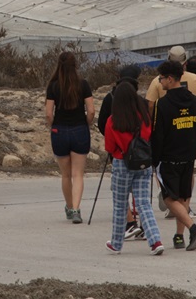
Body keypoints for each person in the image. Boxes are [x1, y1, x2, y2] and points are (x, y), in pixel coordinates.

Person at [150, 60, 196, 251]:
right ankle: (179, 236)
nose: (160, 83)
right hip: (189, 155)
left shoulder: (162, 104)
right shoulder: (194, 101)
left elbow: (158, 134)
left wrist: (154, 159)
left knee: (168, 198)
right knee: (184, 196)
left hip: (168, 156)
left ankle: (193, 228)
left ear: (170, 78)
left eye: (161, 79)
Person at [104, 80, 164, 255]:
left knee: (120, 204)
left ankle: (116, 242)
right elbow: (147, 137)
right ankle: (155, 240)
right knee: (144, 203)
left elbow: (110, 147)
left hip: (122, 163)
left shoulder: (113, 121)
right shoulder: (144, 118)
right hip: (143, 162)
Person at [45, 51, 95, 224]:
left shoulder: (53, 86)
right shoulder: (83, 84)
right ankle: (76, 209)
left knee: (65, 175)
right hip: (79, 129)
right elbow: (92, 110)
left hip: (60, 130)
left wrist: (54, 125)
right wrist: (86, 122)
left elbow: (48, 113)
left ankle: (69, 207)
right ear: (75, 65)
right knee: (78, 174)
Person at [98, 65, 144, 241]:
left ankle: (129, 221)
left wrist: (113, 140)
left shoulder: (109, 98)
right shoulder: (139, 100)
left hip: (117, 151)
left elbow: (103, 122)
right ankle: (140, 223)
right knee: (139, 189)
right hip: (139, 150)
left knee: (119, 187)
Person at [146, 46, 196, 132]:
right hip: (192, 127)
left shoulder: (158, 81)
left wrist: (157, 124)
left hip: (169, 128)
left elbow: (151, 105)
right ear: (185, 63)